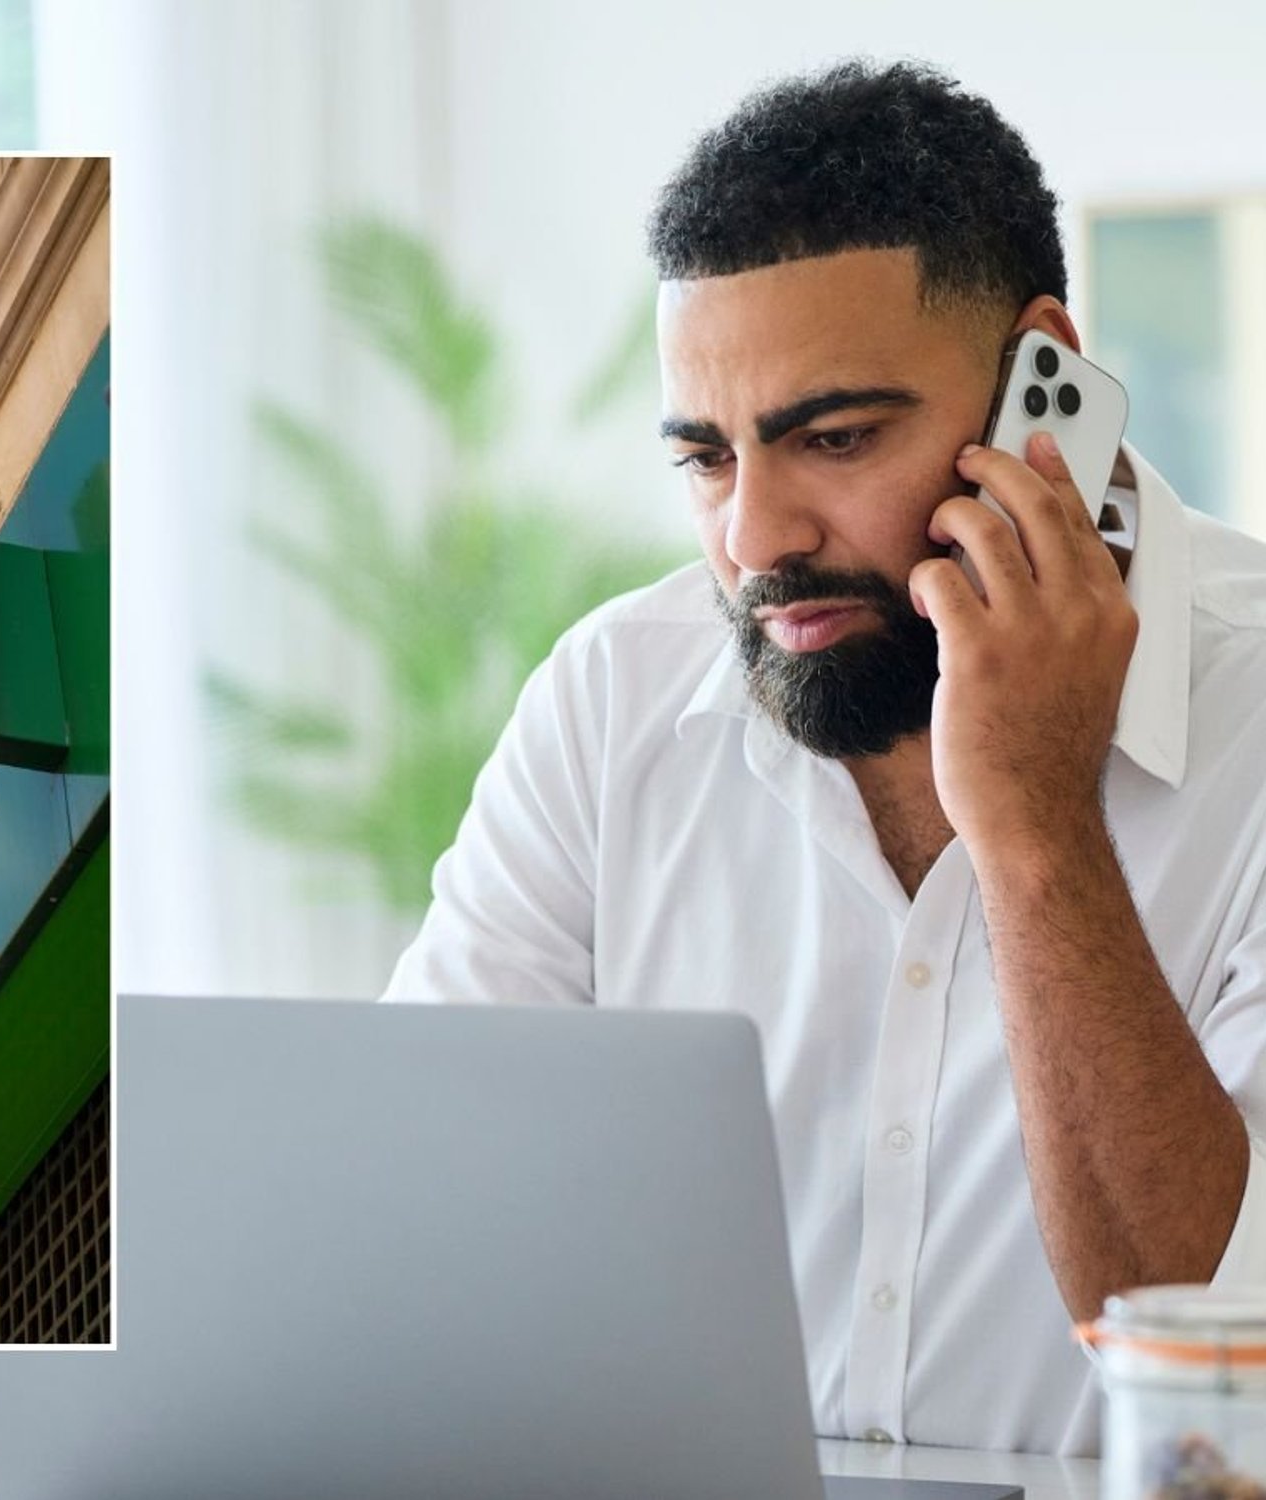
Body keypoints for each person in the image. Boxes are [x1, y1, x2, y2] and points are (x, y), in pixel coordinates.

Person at [382, 58, 1266, 1458]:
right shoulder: (613, 702)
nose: (755, 539)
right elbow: (406, 1233)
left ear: (1042, 386)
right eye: (706, 460)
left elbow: (1220, 1389)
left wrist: (1038, 824)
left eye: (837, 438)